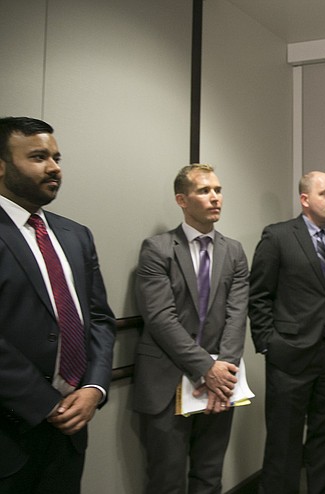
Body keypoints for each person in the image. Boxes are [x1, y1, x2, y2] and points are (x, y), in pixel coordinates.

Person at [0, 116, 116, 493]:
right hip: (10, 432)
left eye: (56, 157)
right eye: (37, 157)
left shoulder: (75, 235)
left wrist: (95, 387)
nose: (54, 168)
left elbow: (99, 318)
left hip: (70, 432)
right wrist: (45, 402)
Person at [133, 163, 249, 494]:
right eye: (204, 191)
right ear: (182, 200)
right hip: (166, 383)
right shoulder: (157, 249)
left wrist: (222, 373)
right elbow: (160, 318)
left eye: (218, 190)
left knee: (209, 477)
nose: (215, 198)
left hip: (220, 384)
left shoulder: (234, 251)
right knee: (166, 481)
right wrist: (205, 369)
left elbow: (237, 314)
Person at [249, 171, 325, 494]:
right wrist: (269, 344)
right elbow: (258, 295)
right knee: (282, 449)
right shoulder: (278, 237)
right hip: (289, 359)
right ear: (305, 199)